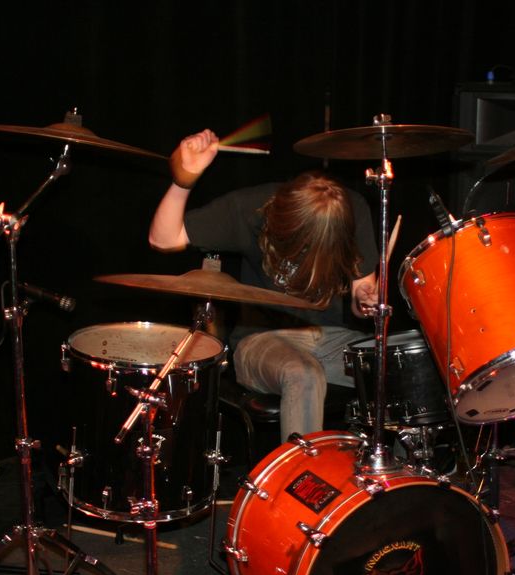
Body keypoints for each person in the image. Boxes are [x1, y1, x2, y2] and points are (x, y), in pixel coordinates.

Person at [149, 129, 379, 441]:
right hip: (261, 339)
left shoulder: (352, 210)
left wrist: (366, 299)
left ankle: (402, 469)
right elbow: (163, 239)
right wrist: (183, 180)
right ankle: (301, 471)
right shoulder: (250, 209)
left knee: (401, 364)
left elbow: (361, 298)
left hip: (329, 337)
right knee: (303, 373)